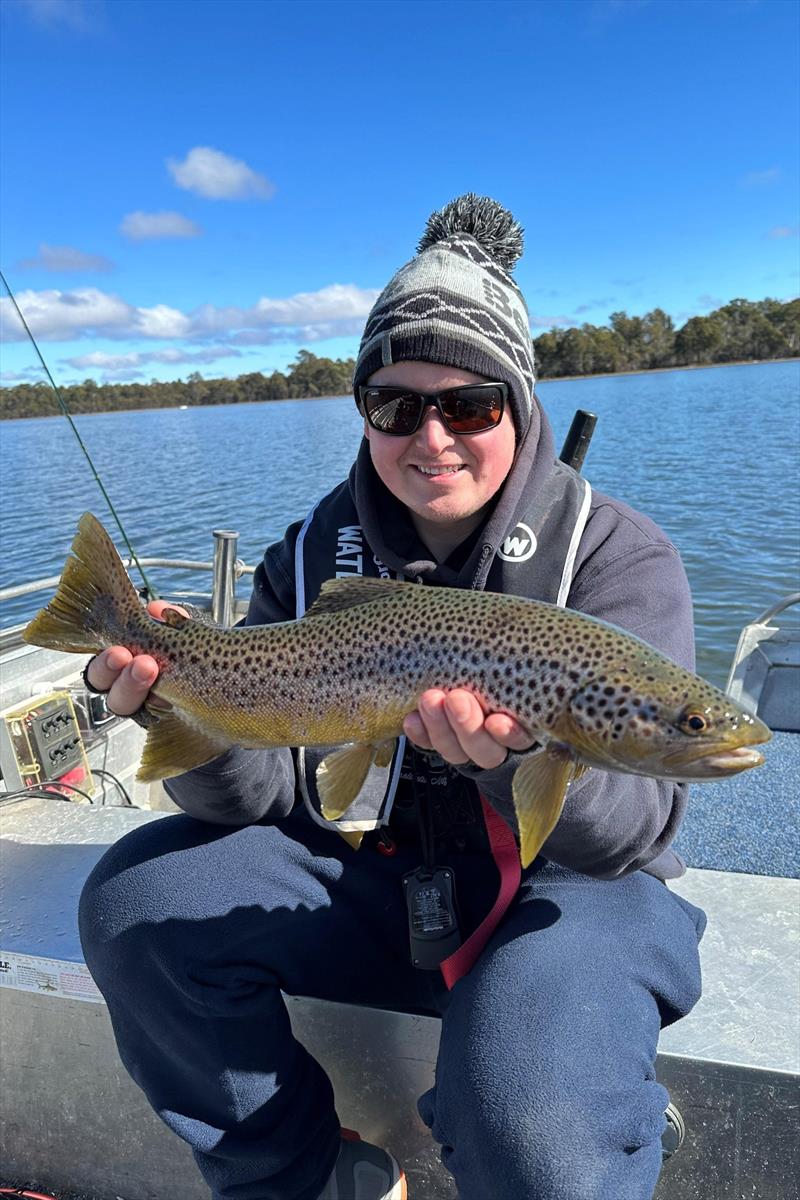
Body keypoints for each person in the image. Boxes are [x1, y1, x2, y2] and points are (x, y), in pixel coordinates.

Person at [79, 194, 706, 1200]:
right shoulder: (311, 548)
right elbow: (266, 796)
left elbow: (628, 834)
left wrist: (516, 772)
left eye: (468, 404)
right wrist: (174, 706)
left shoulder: (614, 557)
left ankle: (601, 1122)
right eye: (394, 404)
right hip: (372, 870)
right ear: (363, 409)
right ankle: (308, 1179)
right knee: (135, 901)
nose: (431, 436)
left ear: (519, 403)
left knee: (532, 1113)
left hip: (569, 894)